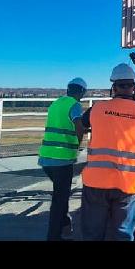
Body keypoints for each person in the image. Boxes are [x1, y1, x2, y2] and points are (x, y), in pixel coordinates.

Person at [79, 63, 135, 241]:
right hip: (128, 183)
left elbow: (82, 124)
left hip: (96, 181)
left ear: (113, 87)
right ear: (134, 87)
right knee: (123, 234)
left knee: (92, 234)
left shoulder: (96, 109)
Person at [37, 77, 87, 241]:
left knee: (61, 194)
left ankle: (65, 224)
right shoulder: (74, 105)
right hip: (62, 159)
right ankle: (54, 235)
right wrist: (78, 146)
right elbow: (79, 126)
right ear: (81, 92)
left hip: (46, 158)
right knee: (60, 199)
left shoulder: (56, 103)